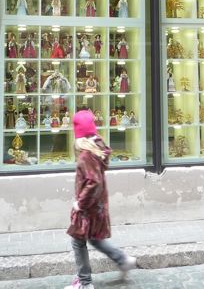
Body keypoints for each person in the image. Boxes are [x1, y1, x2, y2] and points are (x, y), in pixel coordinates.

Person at [65, 110, 136, 289]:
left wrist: (80, 203)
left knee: (78, 241)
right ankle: (123, 260)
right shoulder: (97, 150)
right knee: (94, 238)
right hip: (97, 206)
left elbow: (94, 182)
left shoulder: (86, 156)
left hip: (88, 209)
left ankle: (85, 283)